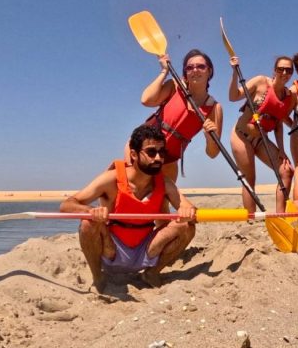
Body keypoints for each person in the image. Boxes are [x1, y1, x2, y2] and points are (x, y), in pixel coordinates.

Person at [61, 124, 197, 293]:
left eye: (162, 153)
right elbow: (67, 204)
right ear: (133, 154)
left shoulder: (165, 183)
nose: (158, 158)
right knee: (87, 224)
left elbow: (189, 207)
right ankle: (98, 277)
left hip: (146, 250)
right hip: (111, 250)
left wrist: (187, 210)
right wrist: (90, 211)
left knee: (186, 227)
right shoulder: (110, 180)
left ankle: (152, 273)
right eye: (151, 152)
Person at [138, 49, 223, 183]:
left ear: (209, 71)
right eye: (189, 67)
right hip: (142, 146)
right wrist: (164, 71)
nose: (195, 70)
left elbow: (213, 153)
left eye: (201, 66)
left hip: (169, 159)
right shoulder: (175, 86)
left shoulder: (214, 108)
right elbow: (146, 100)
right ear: (185, 73)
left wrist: (210, 138)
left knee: (163, 202)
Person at [228, 54, 295, 213]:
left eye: (288, 70)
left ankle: (280, 215)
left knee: (286, 171)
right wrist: (235, 73)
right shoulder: (260, 82)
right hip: (241, 135)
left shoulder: (288, 97)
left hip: (261, 138)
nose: (284, 73)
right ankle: (249, 219)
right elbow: (233, 97)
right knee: (249, 179)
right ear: (274, 70)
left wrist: (282, 150)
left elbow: (278, 125)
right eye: (281, 69)